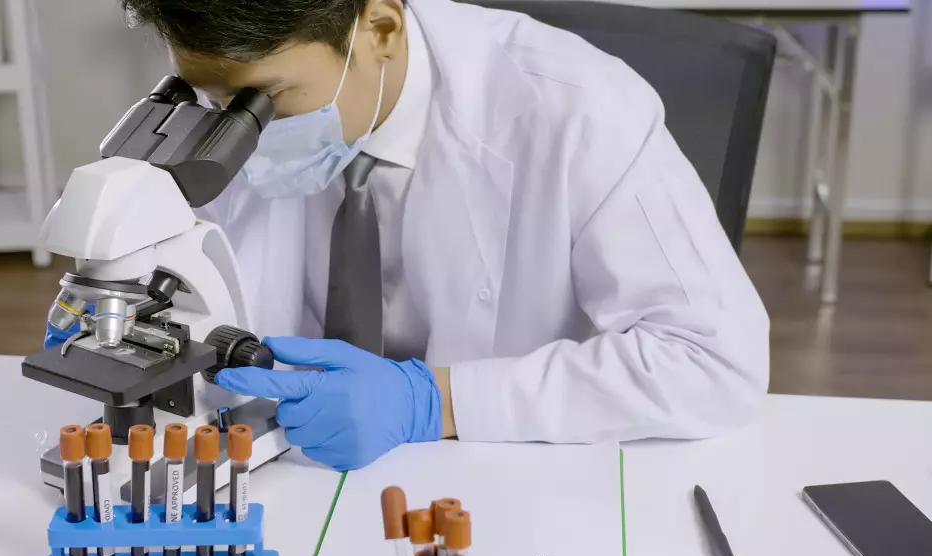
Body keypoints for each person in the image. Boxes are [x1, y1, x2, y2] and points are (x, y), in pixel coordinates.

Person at [47, 0, 770, 471]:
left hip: (505, 470)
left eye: (268, 100)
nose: (238, 132)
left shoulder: (581, 109)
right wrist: (118, 307)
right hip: (293, 473)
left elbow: (713, 364)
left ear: (381, 28)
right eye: (211, 99)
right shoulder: (224, 89)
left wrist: (432, 401)